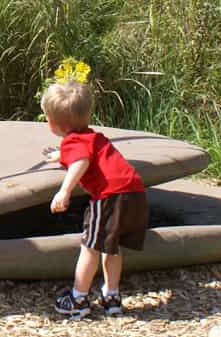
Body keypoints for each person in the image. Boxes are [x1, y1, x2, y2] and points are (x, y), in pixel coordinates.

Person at [41, 77, 148, 319]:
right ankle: (111, 296)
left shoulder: (74, 142)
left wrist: (64, 190)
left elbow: (81, 160)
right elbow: (84, 152)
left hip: (109, 196)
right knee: (112, 247)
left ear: (53, 124)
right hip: (135, 192)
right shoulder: (94, 137)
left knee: (90, 247)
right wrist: (61, 155)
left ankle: (78, 299)